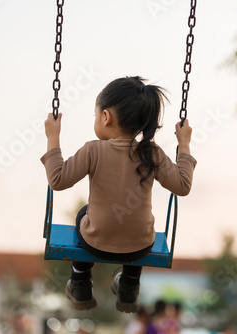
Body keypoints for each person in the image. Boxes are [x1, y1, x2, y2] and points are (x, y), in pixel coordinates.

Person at [41, 76, 197, 313]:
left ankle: (80, 280)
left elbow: (58, 180)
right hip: (140, 246)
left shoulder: (93, 150)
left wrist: (53, 137)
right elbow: (183, 186)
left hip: (96, 243)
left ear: (106, 117)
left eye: (95, 115)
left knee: (83, 215)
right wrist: (183, 144)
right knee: (138, 229)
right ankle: (129, 286)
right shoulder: (151, 153)